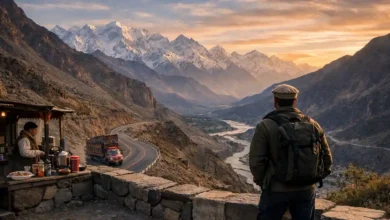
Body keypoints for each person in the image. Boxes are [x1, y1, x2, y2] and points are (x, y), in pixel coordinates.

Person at [249, 84, 333, 220]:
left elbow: (256, 161)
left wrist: (263, 182)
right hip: (306, 191)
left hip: (275, 190)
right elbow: (327, 159)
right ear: (295, 101)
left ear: (275, 101)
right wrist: (312, 179)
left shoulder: (265, 125)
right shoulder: (312, 124)